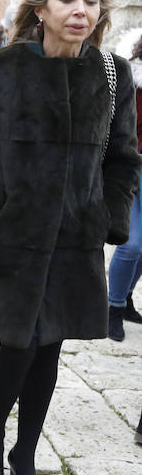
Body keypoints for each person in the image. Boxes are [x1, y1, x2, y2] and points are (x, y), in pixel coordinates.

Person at [0, 0, 141, 475]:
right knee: (16, 345)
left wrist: (106, 218)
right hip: (12, 234)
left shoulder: (111, 74)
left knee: (48, 347)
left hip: (74, 239)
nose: (80, 10)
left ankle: (24, 454)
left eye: (90, 0)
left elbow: (124, 158)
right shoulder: (4, 66)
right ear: (43, 8)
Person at [105, 32, 142, 341]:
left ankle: (126, 297)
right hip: (135, 166)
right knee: (131, 244)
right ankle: (112, 308)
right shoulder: (131, 77)